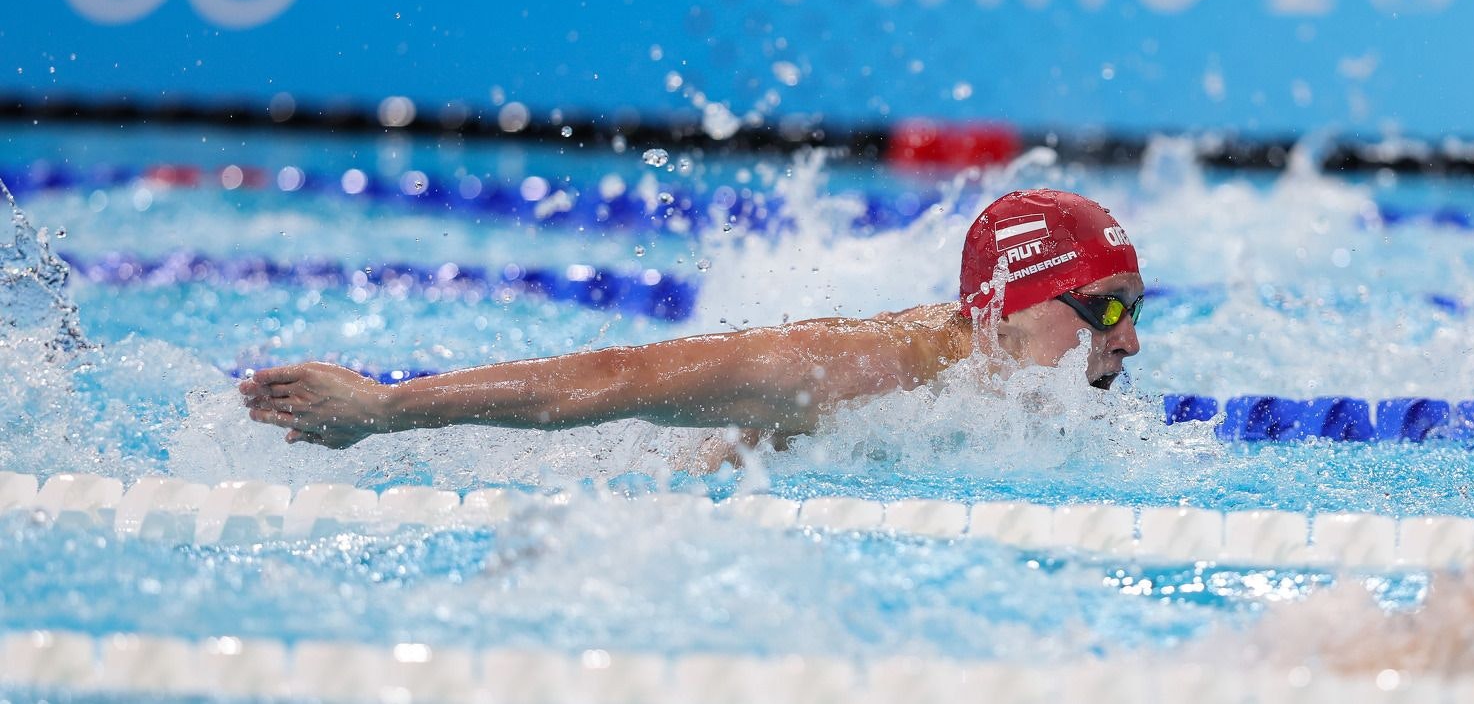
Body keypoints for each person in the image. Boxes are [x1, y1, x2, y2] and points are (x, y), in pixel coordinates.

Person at [241, 189, 1144, 451]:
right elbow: (616, 380)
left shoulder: (1024, 398)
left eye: (1135, 312)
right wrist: (386, 408)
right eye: (1103, 309)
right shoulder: (871, 367)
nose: (1128, 341)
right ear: (1004, 306)